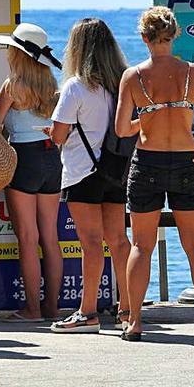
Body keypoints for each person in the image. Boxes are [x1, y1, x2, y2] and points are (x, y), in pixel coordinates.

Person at [116, 7, 194, 342]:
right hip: (187, 160)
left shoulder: (133, 76)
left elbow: (122, 129)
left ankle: (135, 322)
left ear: (144, 37)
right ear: (175, 34)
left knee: (141, 244)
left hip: (148, 161)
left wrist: (149, 118)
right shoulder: (193, 73)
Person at [49, 18, 132, 333]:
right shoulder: (121, 84)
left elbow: (58, 136)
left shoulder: (76, 86)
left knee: (91, 243)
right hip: (116, 169)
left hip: (83, 171)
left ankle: (87, 312)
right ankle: (127, 309)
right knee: (119, 241)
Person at [0, 23, 65, 322]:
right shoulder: (51, 84)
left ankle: (32, 309)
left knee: (26, 237)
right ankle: (52, 307)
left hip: (23, 157)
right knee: (50, 237)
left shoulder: (12, 86)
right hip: (52, 157)